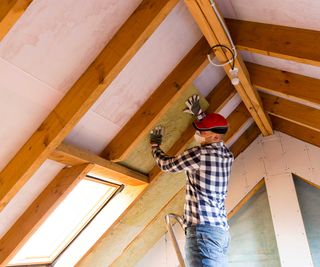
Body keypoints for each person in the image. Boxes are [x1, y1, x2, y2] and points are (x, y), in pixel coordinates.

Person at [149, 95, 234, 267]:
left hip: (203, 233)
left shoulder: (199, 154)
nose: (199, 134)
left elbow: (167, 165)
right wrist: (200, 115)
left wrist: (155, 147)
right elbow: (215, 130)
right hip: (220, 232)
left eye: (204, 132)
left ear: (216, 138)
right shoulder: (227, 154)